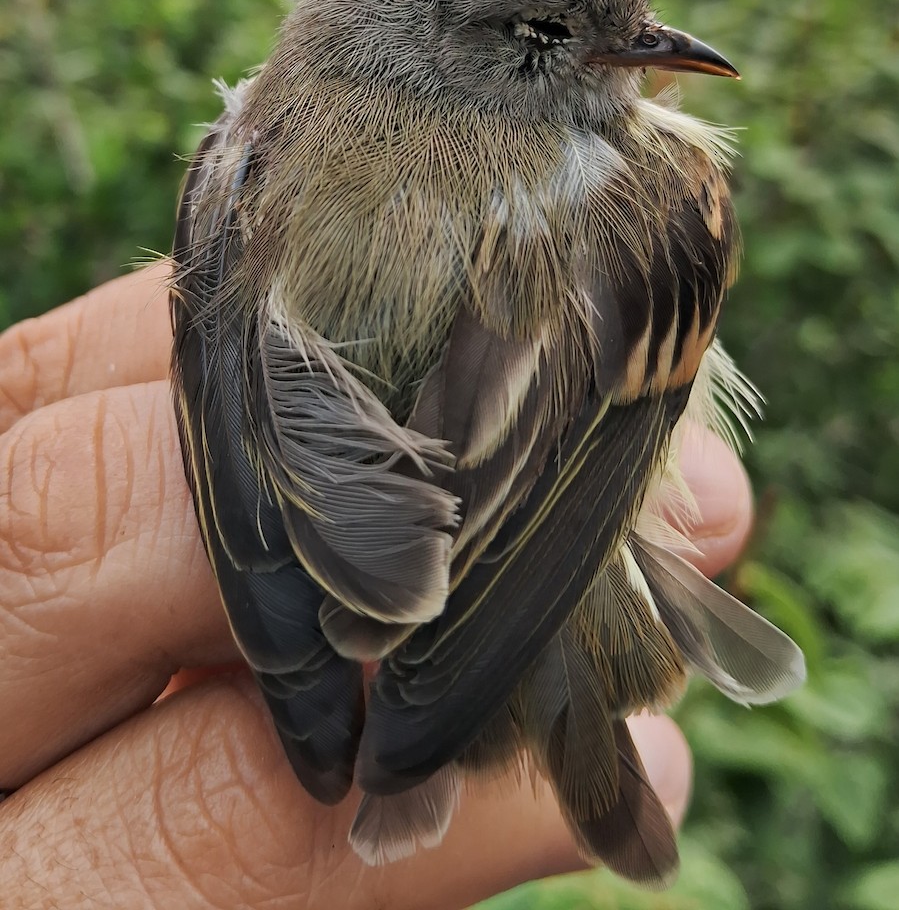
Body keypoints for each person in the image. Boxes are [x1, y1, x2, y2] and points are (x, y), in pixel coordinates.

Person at [0, 262, 753, 909]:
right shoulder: (656, 184)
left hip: (340, 526)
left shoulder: (257, 138)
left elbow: (224, 364)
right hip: (517, 543)